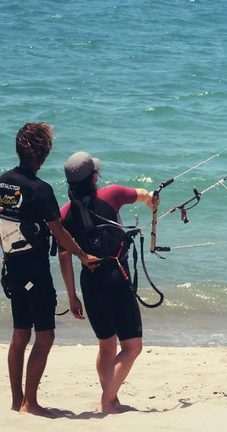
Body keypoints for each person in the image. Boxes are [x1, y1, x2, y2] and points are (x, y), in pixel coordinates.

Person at [0, 122, 100, 417]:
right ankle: (31, 402)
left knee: (19, 334)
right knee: (45, 336)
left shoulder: (3, 182)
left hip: (12, 267)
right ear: (44, 153)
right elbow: (59, 233)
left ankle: (17, 401)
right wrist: (82, 254)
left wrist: (5, 254)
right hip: (35, 272)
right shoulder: (40, 189)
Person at [58, 151, 159, 415]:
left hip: (89, 282)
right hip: (115, 277)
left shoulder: (64, 214)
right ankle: (106, 401)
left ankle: (111, 400)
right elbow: (142, 194)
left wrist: (71, 297)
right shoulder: (111, 194)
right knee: (132, 346)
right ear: (93, 177)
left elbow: (64, 255)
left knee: (106, 344)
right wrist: (151, 199)